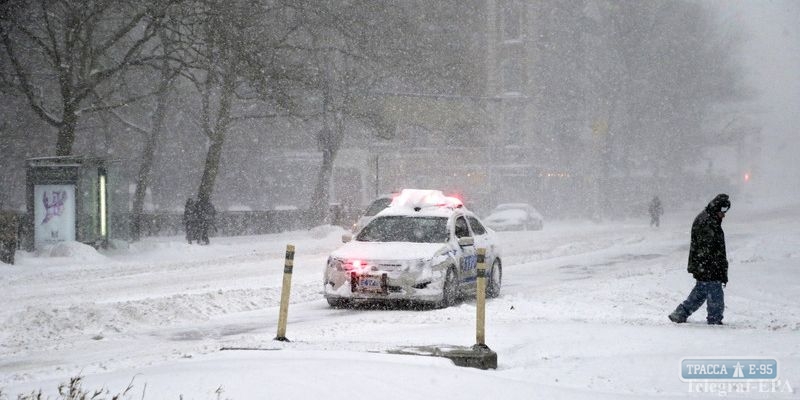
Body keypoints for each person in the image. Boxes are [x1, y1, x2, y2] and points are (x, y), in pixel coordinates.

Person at [668, 194, 731, 325]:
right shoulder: (707, 222)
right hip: (709, 266)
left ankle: (680, 313)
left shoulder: (709, 219)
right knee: (715, 293)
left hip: (704, 266)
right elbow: (708, 249)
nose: (724, 215)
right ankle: (715, 319)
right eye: (722, 212)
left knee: (701, 292)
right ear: (716, 209)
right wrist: (716, 268)